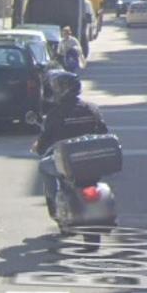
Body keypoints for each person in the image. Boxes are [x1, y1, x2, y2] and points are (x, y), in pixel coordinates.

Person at [33, 72, 109, 215]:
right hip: (90, 159)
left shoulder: (55, 113)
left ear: (61, 90)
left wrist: (39, 147)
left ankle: (53, 204)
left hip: (67, 160)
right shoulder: (91, 109)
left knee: (44, 167)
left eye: (56, 87)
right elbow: (103, 132)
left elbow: (46, 137)